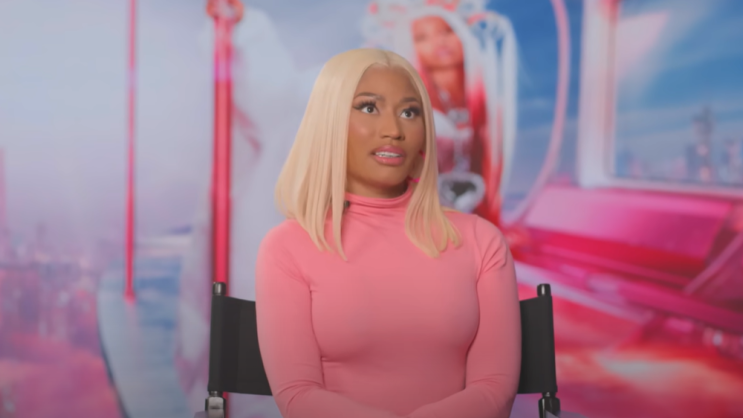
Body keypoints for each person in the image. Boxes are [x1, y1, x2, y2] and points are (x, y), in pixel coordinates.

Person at [256, 48, 521, 418]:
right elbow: (298, 397)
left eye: (409, 113)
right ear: (329, 122)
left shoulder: (482, 242)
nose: (394, 130)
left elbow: (495, 390)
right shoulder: (287, 247)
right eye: (368, 107)